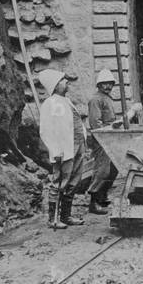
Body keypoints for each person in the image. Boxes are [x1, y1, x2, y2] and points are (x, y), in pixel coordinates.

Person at [38, 68, 86, 229]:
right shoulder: (50, 103)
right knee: (59, 182)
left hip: (77, 146)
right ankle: (53, 219)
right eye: (63, 80)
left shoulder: (67, 101)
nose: (66, 83)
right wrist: (55, 149)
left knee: (73, 181)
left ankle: (66, 216)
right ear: (56, 85)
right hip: (63, 150)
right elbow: (45, 130)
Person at [86, 68, 121, 214]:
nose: (108, 86)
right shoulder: (96, 99)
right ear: (99, 85)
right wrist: (112, 127)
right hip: (101, 139)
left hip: (110, 137)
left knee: (114, 169)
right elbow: (95, 123)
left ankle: (102, 196)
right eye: (105, 84)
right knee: (102, 170)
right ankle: (93, 202)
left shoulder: (107, 98)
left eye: (110, 84)